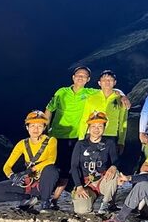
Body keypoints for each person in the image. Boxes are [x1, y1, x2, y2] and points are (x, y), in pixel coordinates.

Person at [45, 66, 126, 202]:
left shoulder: (89, 93)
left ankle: (55, 199)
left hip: (75, 136)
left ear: (88, 80)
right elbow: (49, 109)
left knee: (68, 168)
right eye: (78, 75)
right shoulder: (61, 92)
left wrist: (123, 95)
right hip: (56, 135)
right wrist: (45, 130)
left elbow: (109, 88)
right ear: (73, 77)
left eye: (84, 76)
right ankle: (43, 196)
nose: (80, 78)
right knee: (50, 166)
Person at [0, 110, 60, 212]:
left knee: (51, 170)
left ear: (44, 128)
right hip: (29, 183)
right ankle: (28, 199)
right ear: (27, 127)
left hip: (45, 182)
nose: (36, 129)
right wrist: (12, 176)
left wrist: (28, 171)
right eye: (32, 126)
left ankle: (45, 202)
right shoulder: (22, 144)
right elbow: (7, 166)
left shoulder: (51, 141)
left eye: (39, 126)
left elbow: (51, 160)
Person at [70, 111, 120, 215]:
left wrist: (114, 166)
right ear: (89, 127)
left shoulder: (109, 143)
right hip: (86, 183)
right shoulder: (80, 144)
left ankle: (106, 203)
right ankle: (90, 200)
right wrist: (79, 186)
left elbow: (116, 160)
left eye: (100, 126)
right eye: (93, 126)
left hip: (102, 181)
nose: (96, 129)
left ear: (104, 127)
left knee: (115, 173)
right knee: (81, 210)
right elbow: (74, 166)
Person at [78, 70, 129, 154]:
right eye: (104, 80)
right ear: (99, 83)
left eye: (110, 80)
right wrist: (81, 139)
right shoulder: (91, 98)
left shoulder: (121, 99)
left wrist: (121, 141)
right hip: (92, 135)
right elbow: (84, 120)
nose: (107, 82)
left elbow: (123, 122)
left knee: (110, 164)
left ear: (115, 82)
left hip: (111, 136)